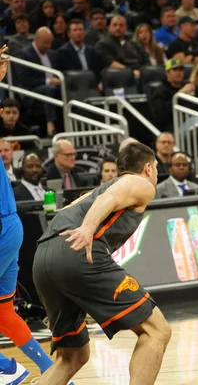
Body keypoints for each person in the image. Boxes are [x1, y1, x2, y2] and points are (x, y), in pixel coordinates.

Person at [32, 142, 172, 384]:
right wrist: (87, 228)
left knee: (73, 356)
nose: (157, 174)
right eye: (157, 168)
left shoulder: (95, 190)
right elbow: (108, 199)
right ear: (148, 168)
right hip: (77, 250)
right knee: (156, 330)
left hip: (43, 257)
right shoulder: (141, 184)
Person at [0, 46, 62, 385]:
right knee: (4, 311)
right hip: (11, 228)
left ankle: (6, 368)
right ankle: (52, 371)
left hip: (0, 226)